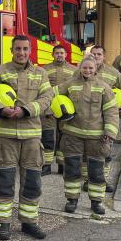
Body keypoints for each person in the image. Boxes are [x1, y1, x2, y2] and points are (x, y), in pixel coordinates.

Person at [0, 36, 54, 241]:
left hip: (32, 137)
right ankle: (2, 223)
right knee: (5, 182)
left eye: (25, 49)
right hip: (6, 138)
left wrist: (26, 110)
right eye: (17, 49)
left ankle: (29, 222)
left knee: (32, 182)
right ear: (11, 49)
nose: (21, 52)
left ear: (30, 50)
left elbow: (47, 98)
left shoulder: (40, 73)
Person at [55, 57, 119, 215]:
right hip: (72, 135)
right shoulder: (70, 84)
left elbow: (111, 112)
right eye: (85, 68)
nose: (87, 71)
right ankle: (72, 200)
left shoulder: (103, 87)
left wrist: (109, 132)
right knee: (71, 170)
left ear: (95, 69)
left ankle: (96, 202)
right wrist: (54, 111)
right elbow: (52, 95)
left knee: (96, 171)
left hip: (96, 138)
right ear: (80, 68)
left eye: (91, 68)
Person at [90, 45, 121, 190]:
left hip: (106, 119)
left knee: (106, 152)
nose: (96, 56)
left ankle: (102, 180)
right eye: (93, 54)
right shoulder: (82, 71)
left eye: (99, 54)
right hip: (86, 120)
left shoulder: (112, 73)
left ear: (104, 56)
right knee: (88, 154)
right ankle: (88, 180)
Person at [40, 45, 76, 176]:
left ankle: (62, 165)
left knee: (64, 137)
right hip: (48, 109)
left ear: (66, 54)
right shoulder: (44, 70)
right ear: (52, 54)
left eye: (61, 53)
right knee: (48, 136)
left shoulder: (74, 70)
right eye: (57, 53)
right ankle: (46, 165)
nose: (59, 55)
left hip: (66, 109)